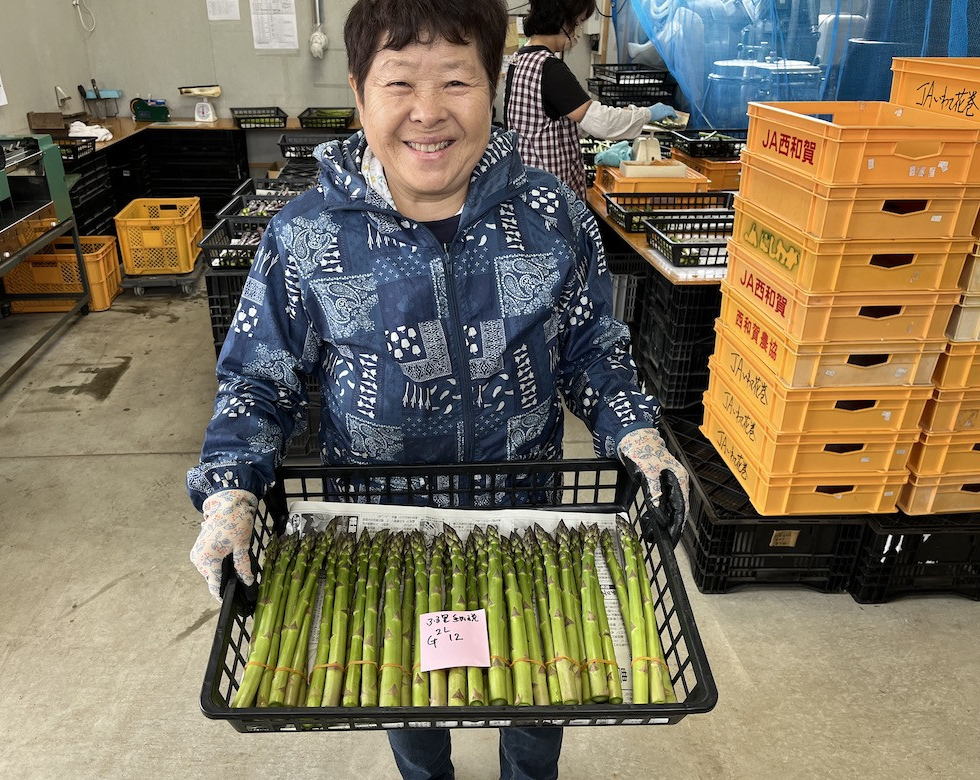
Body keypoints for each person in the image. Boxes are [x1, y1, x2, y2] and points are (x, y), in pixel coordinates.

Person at [187, 0, 689, 777]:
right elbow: (256, 383)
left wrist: (636, 432)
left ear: (492, 86)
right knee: (410, 694)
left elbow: (594, 348)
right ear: (360, 93)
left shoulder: (552, 213)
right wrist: (229, 493)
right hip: (381, 529)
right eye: (399, 84)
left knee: (539, 690)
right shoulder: (305, 234)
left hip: (530, 517)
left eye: (456, 80)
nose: (428, 113)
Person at [504, 0, 679, 199]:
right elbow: (600, 122)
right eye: (578, 21)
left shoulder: (518, 60)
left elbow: (548, 122)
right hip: (548, 194)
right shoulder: (550, 68)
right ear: (562, 20)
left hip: (526, 186)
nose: (578, 30)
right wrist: (646, 114)